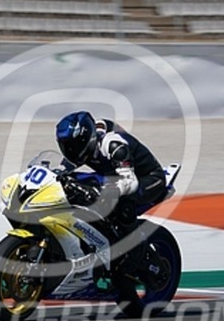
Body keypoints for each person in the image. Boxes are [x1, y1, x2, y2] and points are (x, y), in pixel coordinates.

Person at [55, 111, 168, 263]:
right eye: (66, 146)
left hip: (148, 178)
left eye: (73, 145)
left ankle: (135, 250)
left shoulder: (113, 146)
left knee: (123, 204)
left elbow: (130, 182)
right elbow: (62, 171)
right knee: (72, 187)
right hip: (113, 176)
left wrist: (109, 191)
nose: (70, 150)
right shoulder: (81, 148)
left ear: (85, 138)